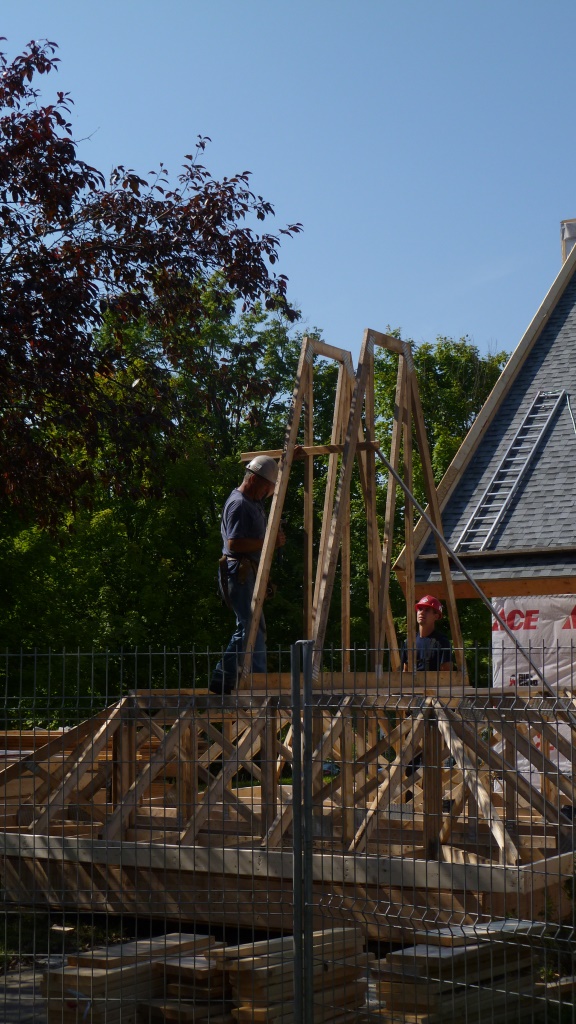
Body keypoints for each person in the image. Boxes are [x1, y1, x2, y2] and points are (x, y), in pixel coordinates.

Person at [210, 455, 285, 694]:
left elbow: (274, 486)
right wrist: (268, 542)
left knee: (250, 626)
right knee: (251, 626)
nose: (267, 493)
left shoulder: (253, 498)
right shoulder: (240, 504)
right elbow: (233, 544)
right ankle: (242, 678)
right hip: (239, 571)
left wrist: (288, 460)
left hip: (246, 572)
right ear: (252, 479)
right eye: (265, 488)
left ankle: (231, 677)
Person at [402, 595, 452, 671]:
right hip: (412, 683)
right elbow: (405, 673)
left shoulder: (442, 642)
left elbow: (446, 676)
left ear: (436, 616)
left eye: (427, 610)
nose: (421, 612)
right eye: (420, 609)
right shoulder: (409, 642)